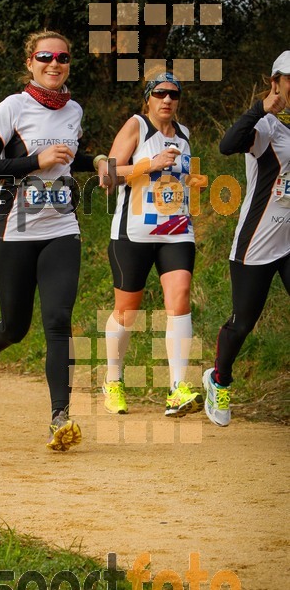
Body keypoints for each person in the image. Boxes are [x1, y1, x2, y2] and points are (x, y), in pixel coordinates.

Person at [0, 30, 96, 451]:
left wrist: (92, 160)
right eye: (45, 56)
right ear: (30, 62)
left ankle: (60, 416)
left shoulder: (74, 109)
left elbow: (67, 154)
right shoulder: (12, 108)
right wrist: (33, 162)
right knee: (16, 326)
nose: (54, 63)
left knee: (58, 321)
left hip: (61, 228)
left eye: (62, 57)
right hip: (14, 230)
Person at [97, 71, 204, 417]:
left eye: (174, 95)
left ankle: (177, 388)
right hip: (133, 234)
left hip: (177, 232)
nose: (168, 100)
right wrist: (149, 164)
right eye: (160, 94)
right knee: (127, 312)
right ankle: (113, 380)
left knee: (180, 297)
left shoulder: (185, 136)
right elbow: (108, 175)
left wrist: (192, 182)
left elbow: (179, 180)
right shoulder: (137, 126)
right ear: (149, 98)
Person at [203, 51, 290, 426]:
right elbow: (227, 144)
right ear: (276, 83)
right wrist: (259, 107)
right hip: (256, 244)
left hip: (289, 243)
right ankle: (219, 380)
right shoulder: (267, 127)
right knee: (242, 322)